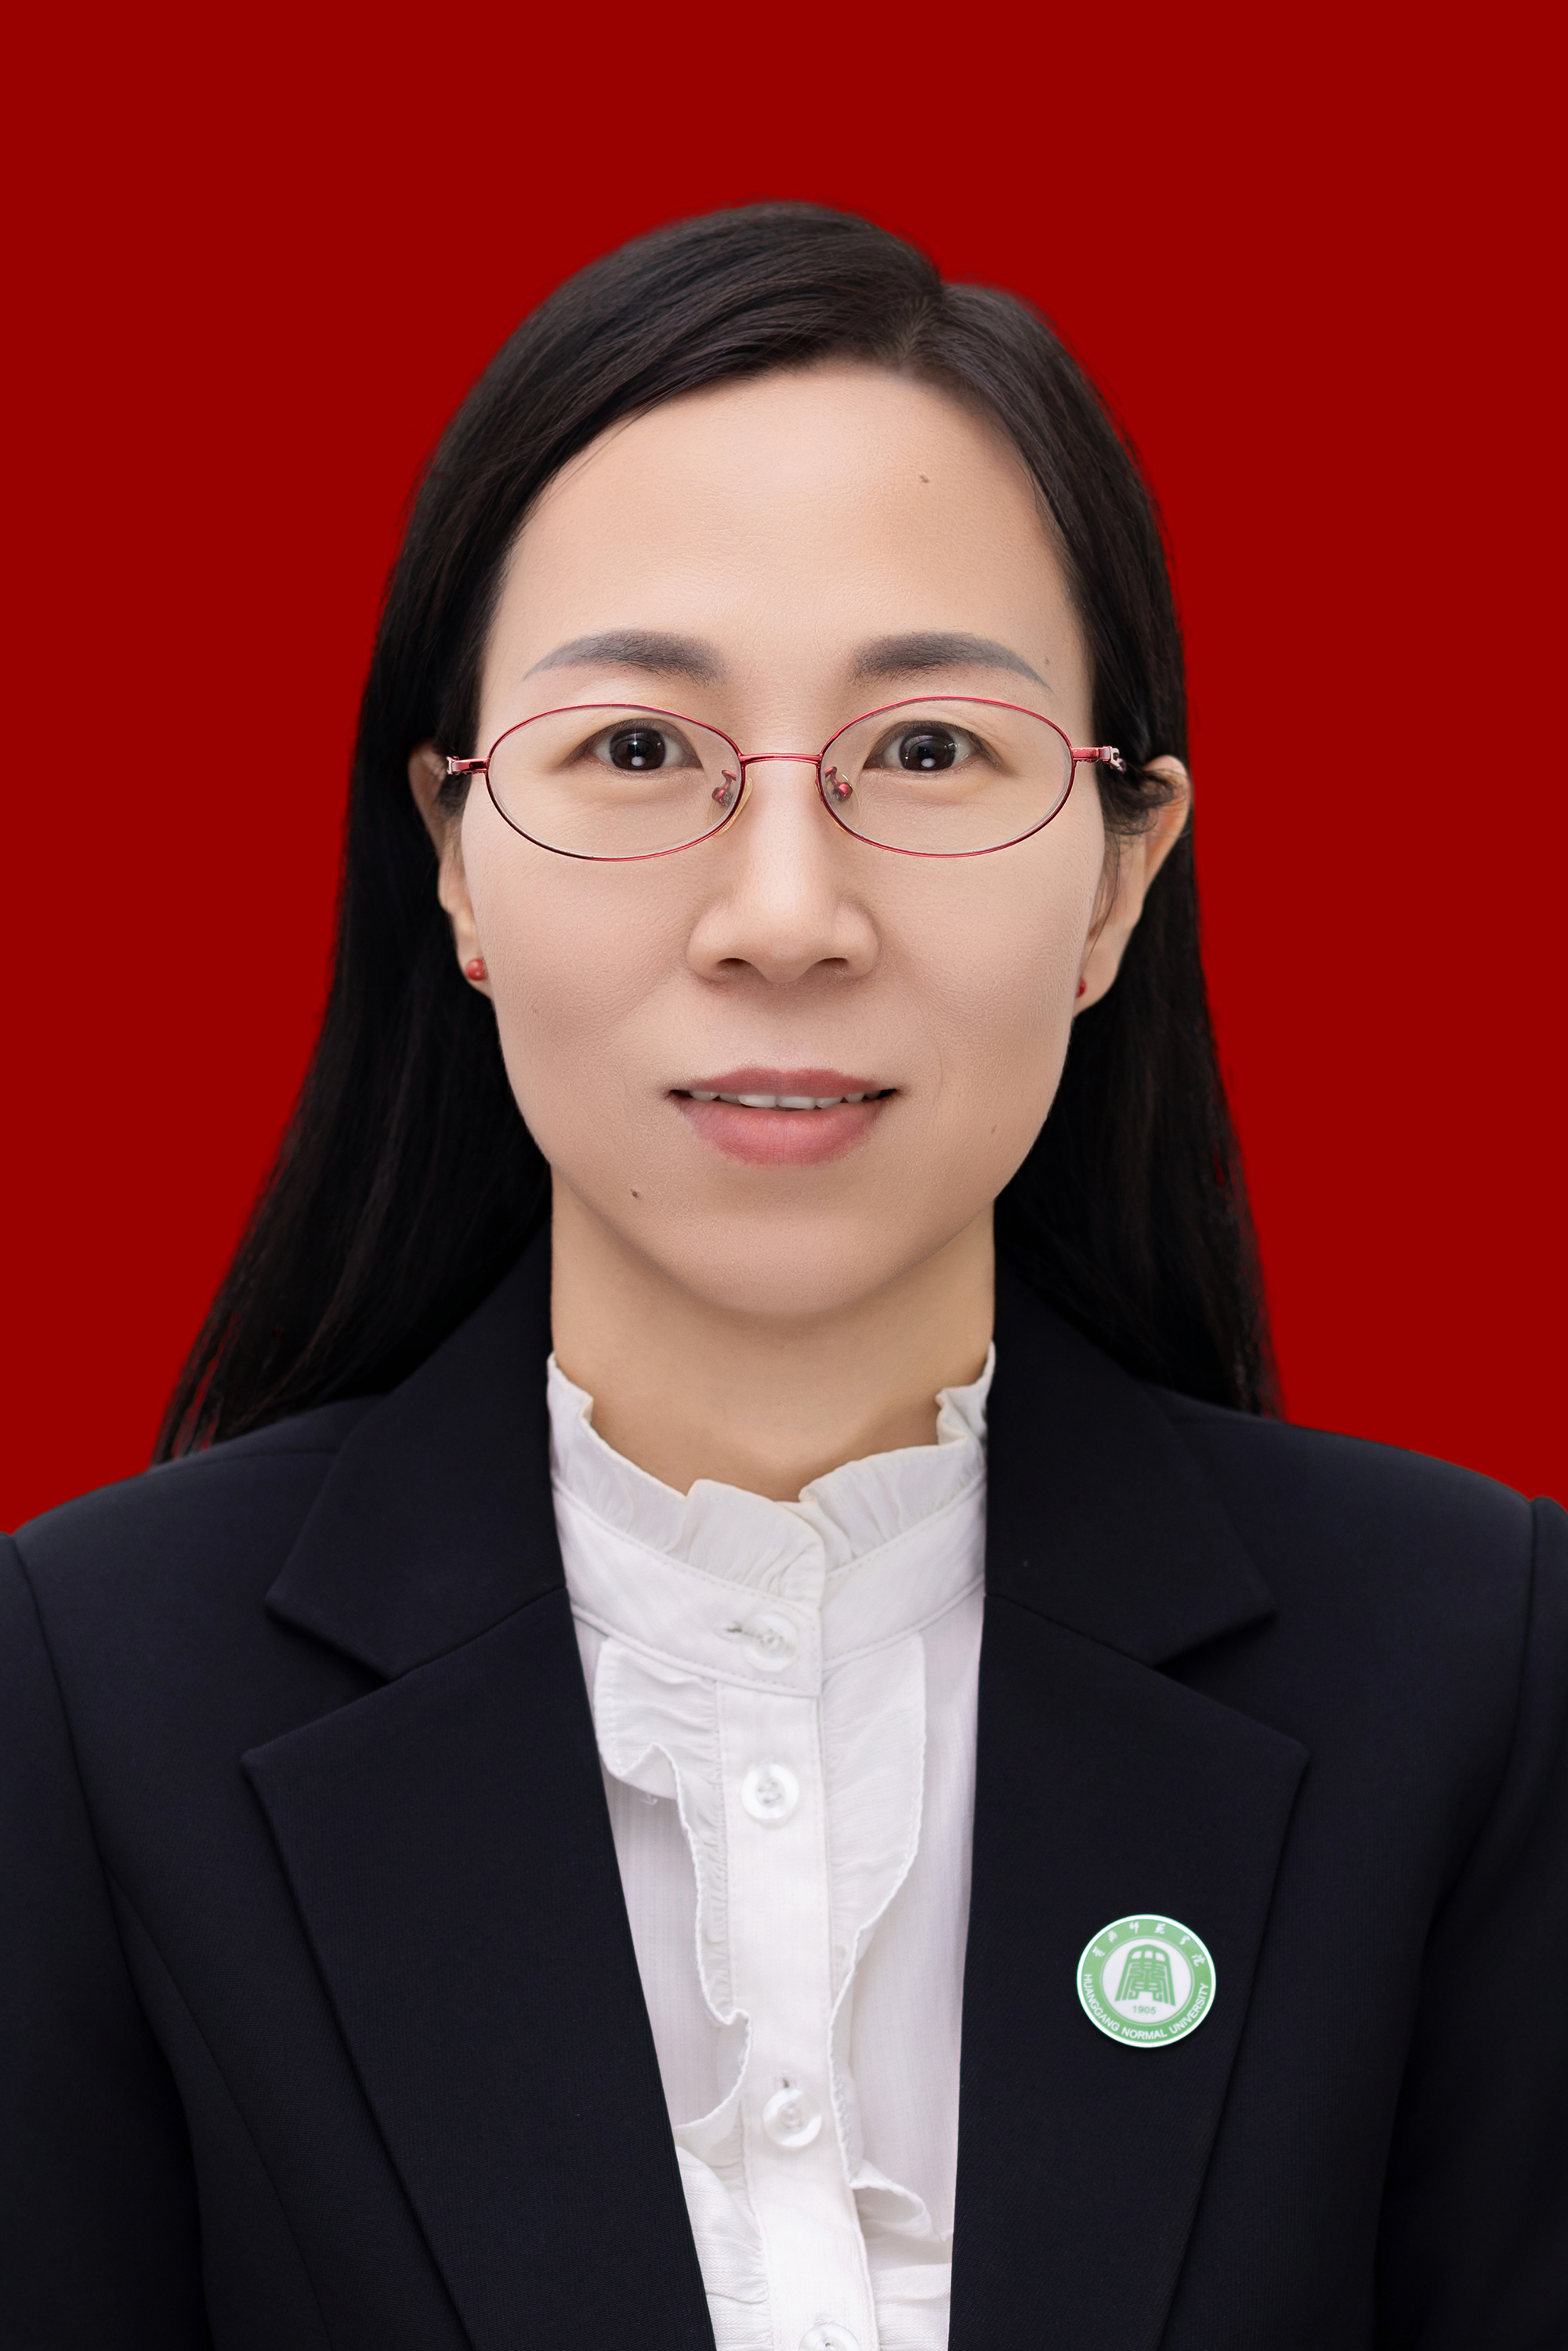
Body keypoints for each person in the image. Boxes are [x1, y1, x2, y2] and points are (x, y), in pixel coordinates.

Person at [2, 204, 1563, 2351]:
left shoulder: (1475, 1671)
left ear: (1122, 877)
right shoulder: (85, 1693)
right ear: (454, 860)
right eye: (636, 751)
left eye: (927, 752)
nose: (783, 915)